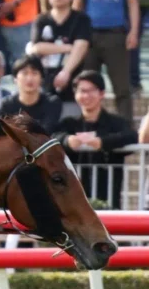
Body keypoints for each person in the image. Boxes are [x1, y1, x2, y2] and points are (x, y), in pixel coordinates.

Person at [72, 0, 139, 123]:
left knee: (122, 89)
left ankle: (126, 130)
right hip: (89, 37)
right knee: (85, 85)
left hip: (116, 36)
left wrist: (133, 31)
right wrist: (75, 34)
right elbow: (77, 3)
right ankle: (84, 127)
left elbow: (133, 2)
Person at [55, 70, 137, 208]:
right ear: (75, 95)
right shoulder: (68, 124)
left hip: (108, 195)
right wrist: (67, 140)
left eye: (91, 91)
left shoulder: (115, 122)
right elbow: (52, 137)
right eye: (82, 91)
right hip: (74, 198)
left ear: (102, 94)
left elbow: (132, 136)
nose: (86, 96)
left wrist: (102, 142)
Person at [29, 0, 92, 111]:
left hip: (73, 82)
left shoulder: (81, 19)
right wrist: (68, 47)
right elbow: (37, 47)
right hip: (45, 82)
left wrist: (65, 72)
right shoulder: (41, 19)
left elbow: (81, 46)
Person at [0, 55, 62, 132]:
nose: (29, 78)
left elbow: (46, 132)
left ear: (41, 78)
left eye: (34, 73)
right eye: (25, 73)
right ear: (15, 79)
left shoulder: (52, 102)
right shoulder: (7, 104)